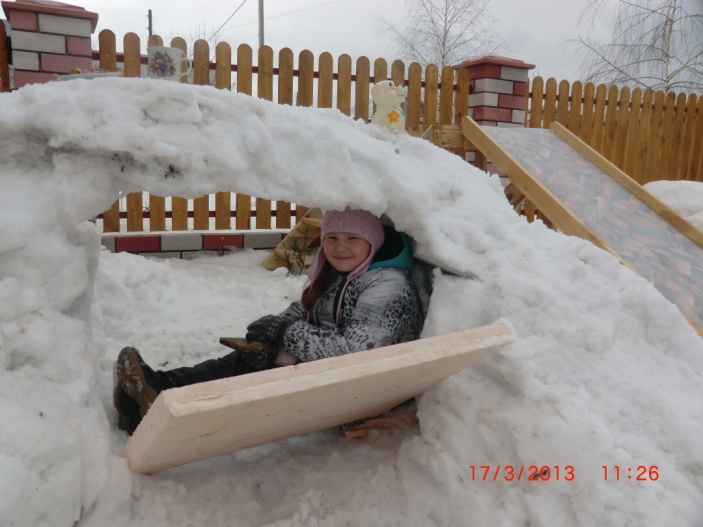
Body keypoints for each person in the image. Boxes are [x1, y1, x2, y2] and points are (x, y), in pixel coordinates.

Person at [114, 207, 426, 434]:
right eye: (331, 238)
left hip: (368, 386)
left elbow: (356, 353)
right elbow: (307, 310)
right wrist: (276, 325)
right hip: (339, 374)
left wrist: (287, 335)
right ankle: (162, 390)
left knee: (258, 368)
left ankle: (163, 401)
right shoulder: (343, 273)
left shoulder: (387, 285)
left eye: (351, 238)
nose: (340, 247)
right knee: (253, 356)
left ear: (373, 242)